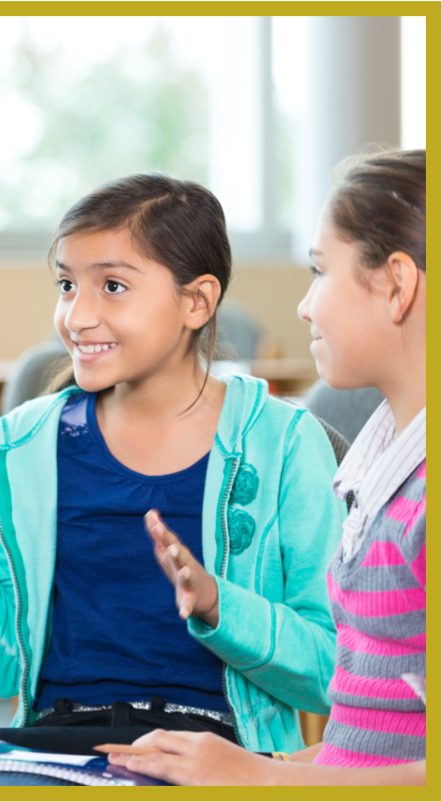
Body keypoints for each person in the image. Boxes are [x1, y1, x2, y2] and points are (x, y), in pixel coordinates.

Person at [0, 173, 345, 785]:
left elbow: (331, 673)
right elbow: (1, 664)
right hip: (61, 751)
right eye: (68, 285)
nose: (77, 315)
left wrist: (216, 604)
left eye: (113, 286)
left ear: (197, 301)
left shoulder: (285, 445)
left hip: (219, 756)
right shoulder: (29, 444)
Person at [109, 149, 426, 786]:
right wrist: (258, 764)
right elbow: (378, 735)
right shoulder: (385, 464)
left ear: (396, 284)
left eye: (319, 271)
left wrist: (260, 779)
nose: (306, 306)